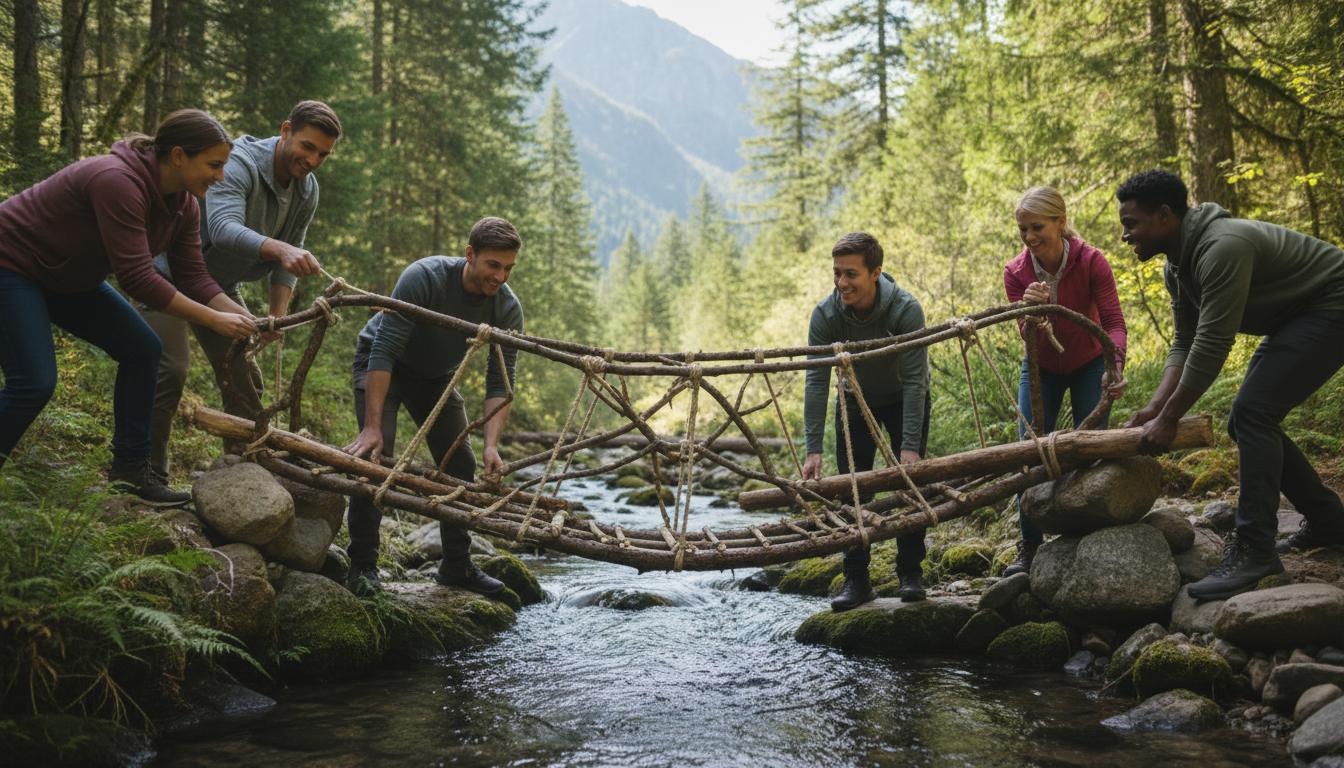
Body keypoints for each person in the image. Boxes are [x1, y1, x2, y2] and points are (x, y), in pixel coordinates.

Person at [0, 110, 257, 502]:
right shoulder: (116, 181)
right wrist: (214, 320)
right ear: (177, 156)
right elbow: (138, 278)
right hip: (12, 264)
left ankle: (130, 471)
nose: (220, 176)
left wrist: (241, 316)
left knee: (143, 348)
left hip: (65, 279)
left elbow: (192, 276)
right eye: (214, 164)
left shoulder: (185, 205)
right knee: (34, 382)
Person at [1118, 169, 1344, 600]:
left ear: (1165, 216)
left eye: (1131, 224)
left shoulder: (1223, 247)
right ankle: (1331, 523)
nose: (1126, 235)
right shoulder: (1177, 266)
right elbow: (1184, 340)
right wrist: (1154, 407)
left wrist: (1170, 420)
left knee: (1253, 413)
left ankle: (1255, 549)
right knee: (1248, 419)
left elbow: (1213, 343)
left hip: (1333, 302)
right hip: (1300, 316)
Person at [143, 100, 341, 479]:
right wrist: (280, 249)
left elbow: (291, 259)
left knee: (245, 376)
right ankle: (146, 473)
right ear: (285, 131)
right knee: (168, 369)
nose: (313, 160)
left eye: (323, 154)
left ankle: (243, 472)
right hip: (166, 276)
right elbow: (222, 228)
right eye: (307, 147)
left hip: (218, 285)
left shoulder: (306, 189)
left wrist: (277, 317)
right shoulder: (240, 163)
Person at [342, 217, 525, 597]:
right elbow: (384, 349)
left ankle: (456, 566)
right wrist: (372, 426)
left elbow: (501, 382)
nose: (500, 277)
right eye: (493, 265)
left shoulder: (506, 309)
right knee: (375, 456)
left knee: (461, 463)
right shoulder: (423, 277)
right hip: (381, 365)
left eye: (508, 268)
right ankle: (362, 565)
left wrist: (492, 444)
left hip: (435, 378)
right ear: (470, 255)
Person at [802, 232, 932, 611]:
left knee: (911, 483)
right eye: (837, 273)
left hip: (904, 398)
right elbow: (815, 380)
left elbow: (914, 382)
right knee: (853, 490)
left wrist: (909, 447)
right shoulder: (826, 315)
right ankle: (856, 579)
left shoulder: (905, 310)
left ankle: (911, 572)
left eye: (851, 275)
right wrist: (812, 450)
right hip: (855, 401)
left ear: (876, 273)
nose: (842, 283)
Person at [1001, 187, 1128, 576]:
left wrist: (1115, 365)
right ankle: (1030, 546)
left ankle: (1087, 535)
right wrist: (1031, 309)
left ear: (1060, 221)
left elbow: (1113, 322)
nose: (1029, 237)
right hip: (1041, 368)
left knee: (1089, 446)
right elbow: (1028, 336)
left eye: (1037, 227)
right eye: (1023, 229)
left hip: (1090, 362)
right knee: (1029, 450)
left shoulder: (1092, 261)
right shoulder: (1016, 272)